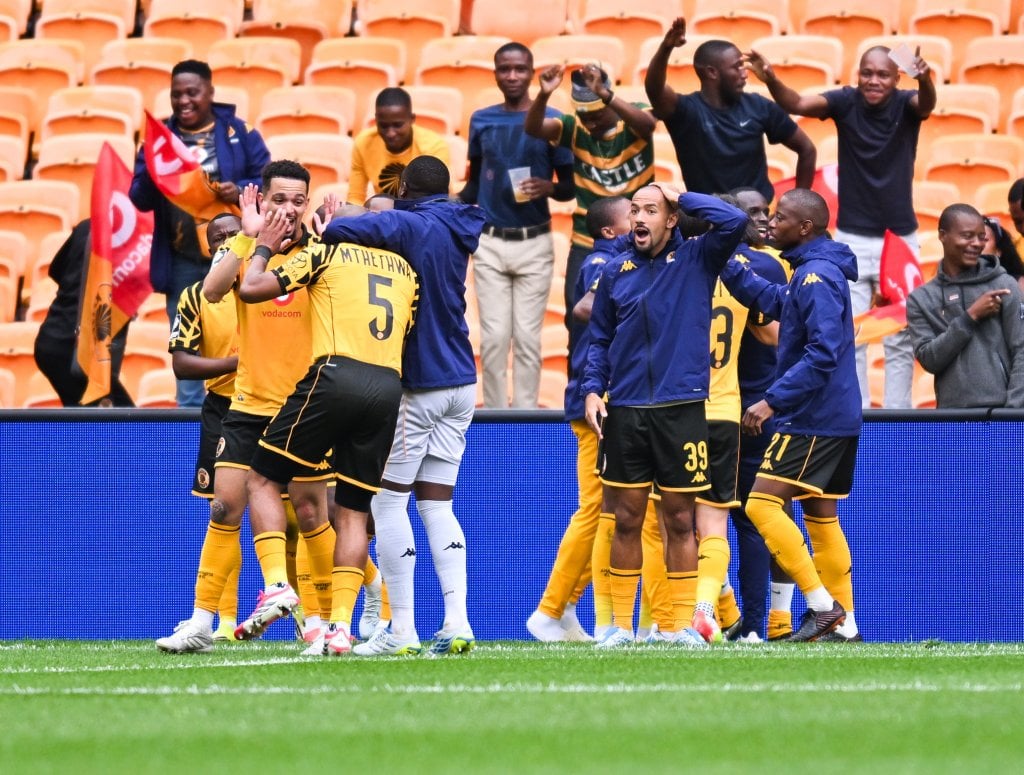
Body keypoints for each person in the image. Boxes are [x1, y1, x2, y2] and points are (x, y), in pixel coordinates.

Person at [156, 161, 334, 655]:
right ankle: (201, 620)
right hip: (248, 401)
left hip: (302, 405)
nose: (290, 209)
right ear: (264, 200)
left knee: (310, 512)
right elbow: (213, 290)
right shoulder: (241, 246)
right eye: (281, 199)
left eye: (299, 200)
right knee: (224, 506)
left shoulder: (318, 252)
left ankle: (320, 624)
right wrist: (251, 241)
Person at [237, 199, 419, 658]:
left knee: (261, 477)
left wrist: (263, 245)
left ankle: (277, 585)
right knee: (354, 512)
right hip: (387, 385)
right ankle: (340, 628)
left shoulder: (328, 252)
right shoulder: (405, 271)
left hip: (337, 374)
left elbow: (252, 288)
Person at [322, 155, 486, 657]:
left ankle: (403, 630)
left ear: (406, 189)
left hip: (419, 383)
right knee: (437, 503)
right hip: (461, 382)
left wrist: (334, 218)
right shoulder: (464, 220)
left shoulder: (406, 224)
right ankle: (458, 623)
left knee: (388, 502)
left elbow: (337, 236)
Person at [581, 184, 747, 648]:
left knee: (679, 520)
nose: (639, 217)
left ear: (671, 219)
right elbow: (599, 340)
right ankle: (618, 625)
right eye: (634, 209)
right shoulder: (616, 272)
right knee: (626, 518)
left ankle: (678, 626)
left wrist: (683, 195)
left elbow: (733, 222)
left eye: (651, 210)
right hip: (628, 409)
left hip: (682, 409)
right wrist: (593, 390)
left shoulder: (698, 259)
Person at [746, 44, 936, 409]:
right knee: (854, 332)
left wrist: (925, 77)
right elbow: (798, 104)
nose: (874, 80)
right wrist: (770, 76)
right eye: (867, 72)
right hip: (851, 238)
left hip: (900, 239)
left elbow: (926, 105)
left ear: (897, 79)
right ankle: (861, 415)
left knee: (901, 335)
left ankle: (899, 417)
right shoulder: (845, 102)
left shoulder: (906, 104)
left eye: (883, 74)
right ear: (857, 74)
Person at [719, 188, 861, 642]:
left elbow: (822, 353)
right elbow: (774, 301)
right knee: (821, 519)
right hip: (834, 414)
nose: (770, 224)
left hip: (812, 416)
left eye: (779, 218)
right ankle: (846, 627)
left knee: (760, 504)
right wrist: (724, 256)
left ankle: (822, 607)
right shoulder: (812, 272)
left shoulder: (817, 277)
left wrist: (771, 400)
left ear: (805, 228)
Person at [130, 59, 270, 407]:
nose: (183, 101)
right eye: (176, 94)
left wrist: (237, 189)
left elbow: (268, 182)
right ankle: (191, 426)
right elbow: (138, 199)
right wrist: (153, 167)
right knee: (187, 347)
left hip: (238, 258)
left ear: (210, 92)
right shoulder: (159, 141)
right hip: (184, 261)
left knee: (244, 334)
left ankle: (247, 408)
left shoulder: (240, 132)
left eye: (192, 92)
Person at [525, 195, 630, 642]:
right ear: (609, 232)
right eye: (633, 216)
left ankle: (567, 606)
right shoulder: (602, 265)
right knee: (596, 508)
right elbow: (586, 309)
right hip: (595, 401)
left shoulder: (617, 263)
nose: (641, 220)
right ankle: (548, 610)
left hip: (611, 399)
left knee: (612, 510)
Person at [460, 42, 575, 408]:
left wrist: (549, 187)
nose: (512, 76)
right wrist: (438, 202)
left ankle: (524, 421)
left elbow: (570, 186)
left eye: (520, 69)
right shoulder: (481, 119)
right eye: (505, 69)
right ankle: (495, 418)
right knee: (493, 338)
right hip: (491, 242)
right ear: (495, 73)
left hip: (535, 242)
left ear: (531, 72)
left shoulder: (553, 119)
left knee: (527, 338)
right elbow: (475, 183)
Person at [524, 62, 657, 350]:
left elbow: (649, 126)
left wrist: (606, 95)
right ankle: (581, 383)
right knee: (579, 314)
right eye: (585, 116)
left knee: (640, 311)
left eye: (596, 114)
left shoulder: (631, 116)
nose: (591, 122)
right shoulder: (573, 128)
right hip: (588, 238)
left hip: (637, 236)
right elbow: (534, 127)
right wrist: (544, 96)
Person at [167, 212, 241, 640]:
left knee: (298, 514)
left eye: (234, 233)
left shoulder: (269, 287)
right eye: (219, 237)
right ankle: (224, 621)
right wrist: (233, 363)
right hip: (223, 409)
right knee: (223, 511)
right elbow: (181, 362)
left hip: (274, 404)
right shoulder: (197, 296)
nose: (228, 241)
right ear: (209, 248)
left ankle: (342, 609)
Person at [644, 18, 816, 202]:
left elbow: (807, 149)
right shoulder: (686, 111)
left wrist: (797, 205)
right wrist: (666, 48)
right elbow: (655, 89)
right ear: (712, 73)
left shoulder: (759, 106)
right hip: (709, 219)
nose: (745, 73)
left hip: (757, 219)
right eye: (737, 67)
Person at [726, 188, 795, 642]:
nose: (764, 220)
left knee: (750, 516)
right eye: (752, 213)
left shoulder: (760, 264)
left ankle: (761, 622)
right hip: (749, 402)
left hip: (751, 403)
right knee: (759, 515)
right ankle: (761, 622)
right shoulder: (765, 265)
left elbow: (775, 336)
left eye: (765, 211)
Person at [907, 204, 1024, 409]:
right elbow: (930, 361)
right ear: (943, 236)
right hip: (952, 417)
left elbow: (1022, 349)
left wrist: (1013, 410)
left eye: (982, 237)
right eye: (967, 236)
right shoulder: (922, 299)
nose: (976, 244)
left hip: (1003, 415)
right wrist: (969, 318)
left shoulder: (1004, 285)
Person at [33, 219, 134, 407]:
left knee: (89, 420)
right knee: (130, 425)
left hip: (52, 340)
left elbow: (56, 270)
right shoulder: (138, 241)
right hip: (73, 350)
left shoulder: (88, 226)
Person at [346, 87, 451, 204]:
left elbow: (438, 201)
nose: (390, 133)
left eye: (398, 125)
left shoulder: (433, 146)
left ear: (411, 119)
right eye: (384, 126)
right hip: (383, 214)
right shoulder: (363, 143)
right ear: (376, 121)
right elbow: (355, 197)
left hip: (422, 215)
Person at [982, 216, 1024, 292]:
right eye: (968, 237)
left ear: (998, 251)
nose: (976, 243)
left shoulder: (1018, 283)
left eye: (984, 239)